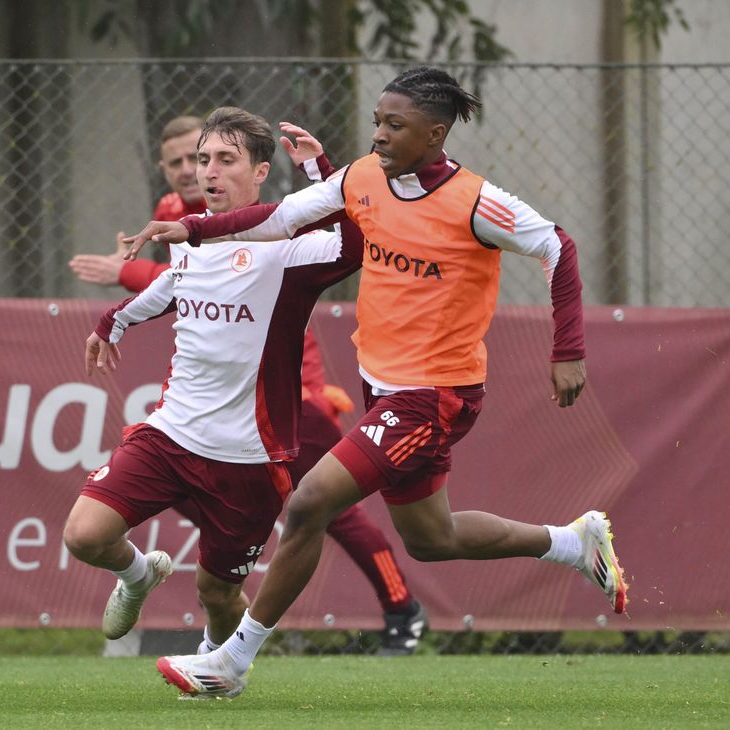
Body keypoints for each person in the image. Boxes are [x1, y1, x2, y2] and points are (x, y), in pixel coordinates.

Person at [123, 67, 628, 699]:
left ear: (435, 134)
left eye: (396, 125)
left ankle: (233, 660)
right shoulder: (361, 175)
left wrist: (569, 351)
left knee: (309, 503)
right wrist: (195, 228)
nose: (381, 135)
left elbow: (559, 246)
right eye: (378, 122)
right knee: (430, 539)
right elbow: (279, 218)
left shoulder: (476, 201)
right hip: (382, 386)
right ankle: (571, 543)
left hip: (435, 394)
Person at [69, 114, 427, 654]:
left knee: (217, 592)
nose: (205, 171)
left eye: (224, 160)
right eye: (201, 159)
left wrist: (318, 167)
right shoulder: (189, 237)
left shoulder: (289, 248)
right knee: (85, 535)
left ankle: (225, 669)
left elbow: (353, 243)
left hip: (249, 459)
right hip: (170, 435)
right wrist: (113, 321)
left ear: (262, 171)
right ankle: (140, 575)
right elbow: (173, 284)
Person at [68, 116, 207, 292]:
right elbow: (186, 279)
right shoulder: (167, 211)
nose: (186, 170)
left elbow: (209, 276)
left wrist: (129, 272)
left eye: (195, 158)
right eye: (176, 163)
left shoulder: (237, 205)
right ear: (164, 171)